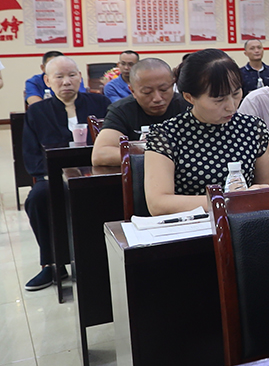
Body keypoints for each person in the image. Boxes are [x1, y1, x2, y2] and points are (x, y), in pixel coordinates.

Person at [145, 49, 269, 215]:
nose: (231, 106)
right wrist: (229, 200)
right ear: (189, 97)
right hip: (192, 225)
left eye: (236, 94)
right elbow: (158, 203)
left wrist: (259, 193)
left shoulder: (252, 128)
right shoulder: (166, 135)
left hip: (243, 222)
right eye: (219, 99)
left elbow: (267, 184)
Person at [21, 56, 112, 290]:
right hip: (53, 176)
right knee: (38, 198)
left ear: (80, 77)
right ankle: (52, 264)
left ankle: (103, 258)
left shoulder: (100, 103)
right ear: (47, 81)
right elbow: (31, 153)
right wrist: (48, 175)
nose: (66, 82)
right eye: (59, 77)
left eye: (72, 75)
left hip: (94, 172)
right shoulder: (37, 111)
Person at [91, 58, 186, 166]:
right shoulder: (122, 110)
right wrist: (154, 155)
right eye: (147, 92)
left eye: (164, 89)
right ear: (132, 91)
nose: (157, 98)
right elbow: (100, 154)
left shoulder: (186, 106)